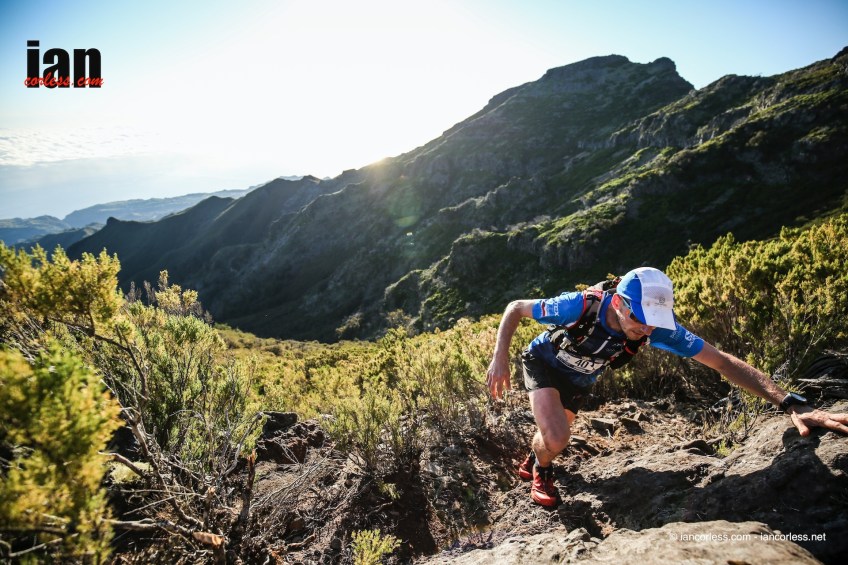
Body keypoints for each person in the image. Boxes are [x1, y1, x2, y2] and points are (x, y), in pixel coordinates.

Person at [486, 267, 848, 507]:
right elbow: (516, 308)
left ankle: (537, 456)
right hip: (544, 362)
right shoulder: (578, 306)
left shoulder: (658, 329)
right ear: (618, 302)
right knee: (557, 438)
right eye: (639, 319)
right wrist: (500, 357)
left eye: (653, 321)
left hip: (581, 378)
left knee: (550, 439)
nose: (645, 329)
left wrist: (790, 402)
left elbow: (722, 361)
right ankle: (542, 469)